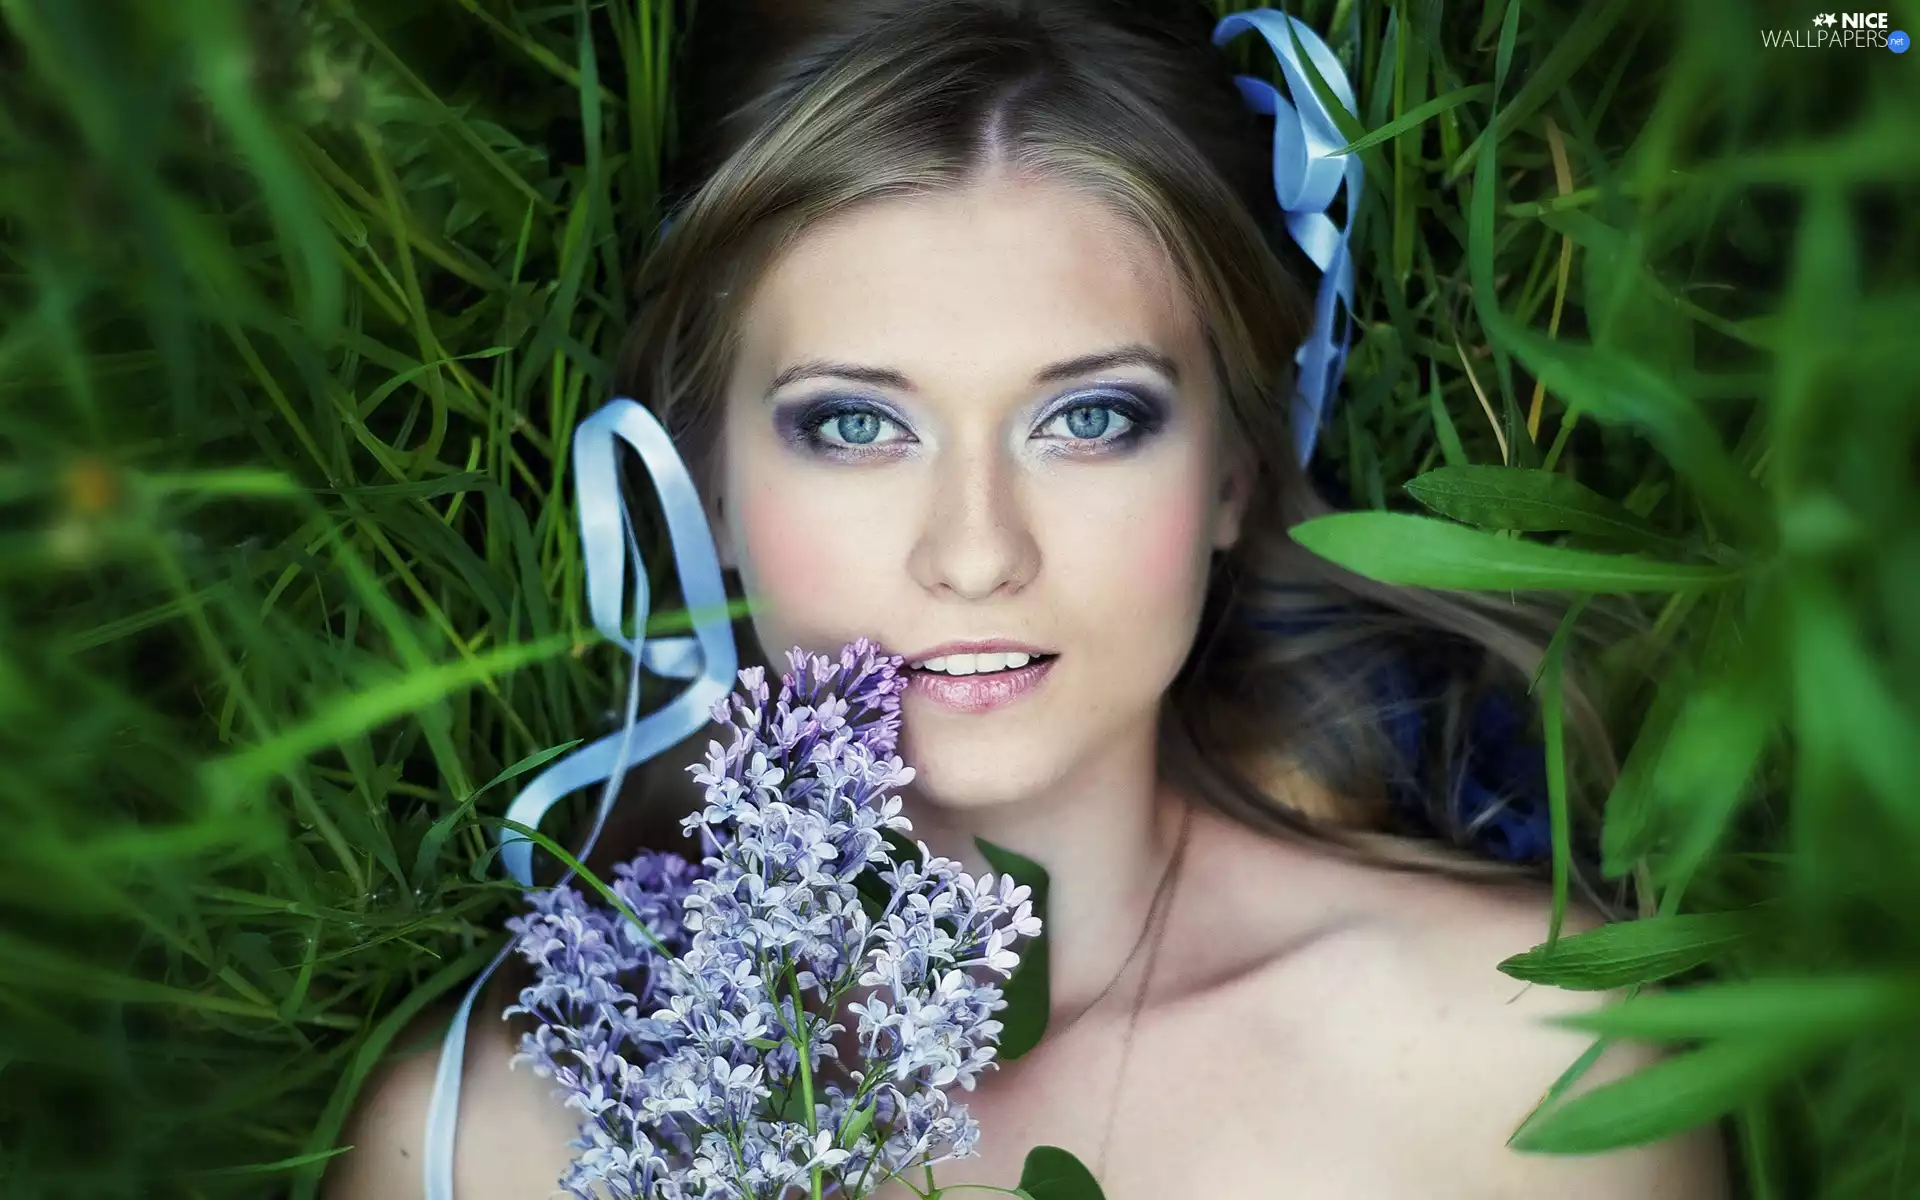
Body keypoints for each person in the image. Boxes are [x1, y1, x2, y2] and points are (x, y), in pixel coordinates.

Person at [326, 2, 1729, 1197]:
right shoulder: (480, 1143)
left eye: (1093, 419)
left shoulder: (1533, 1060)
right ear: (708, 485)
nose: (978, 550)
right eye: (856, 428)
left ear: (1238, 467)